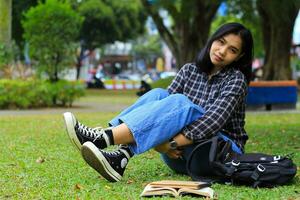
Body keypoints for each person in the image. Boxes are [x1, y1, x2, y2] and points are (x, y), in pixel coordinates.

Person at [63, 22, 253, 182]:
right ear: (213, 39)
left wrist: (166, 144)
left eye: (232, 50)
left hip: (217, 154)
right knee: (159, 95)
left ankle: (102, 138)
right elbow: (159, 111)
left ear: (240, 56)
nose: (222, 51)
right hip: (179, 156)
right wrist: (164, 144)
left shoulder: (235, 79)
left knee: (180, 103)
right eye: (221, 42)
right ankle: (120, 157)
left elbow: (212, 122)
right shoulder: (190, 70)